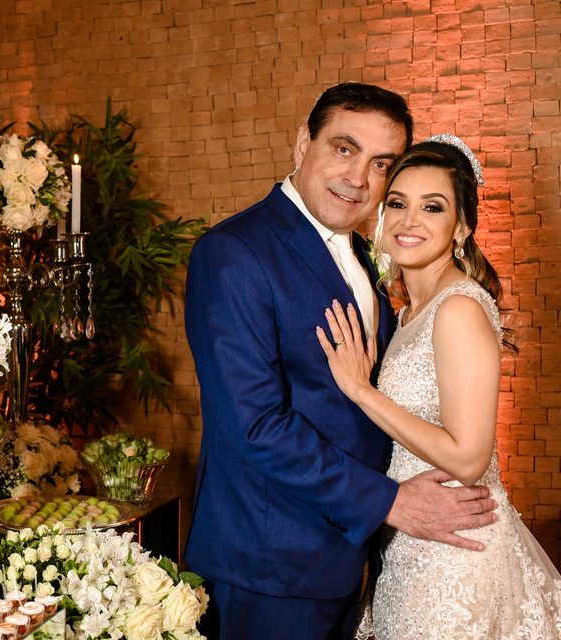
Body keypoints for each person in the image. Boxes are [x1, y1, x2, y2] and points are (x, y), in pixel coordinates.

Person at [183, 83, 497, 640]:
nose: (358, 179)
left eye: (381, 164)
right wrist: (390, 503)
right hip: (270, 563)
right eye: (344, 149)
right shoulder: (235, 252)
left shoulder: (366, 256)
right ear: (303, 143)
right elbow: (254, 425)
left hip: (355, 555)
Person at [316, 136, 561, 639]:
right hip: (413, 540)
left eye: (433, 207)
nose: (409, 221)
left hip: (454, 555)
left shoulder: (458, 309)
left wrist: (362, 391)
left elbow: (469, 459)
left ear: (462, 226)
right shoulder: (408, 312)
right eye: (398, 203)